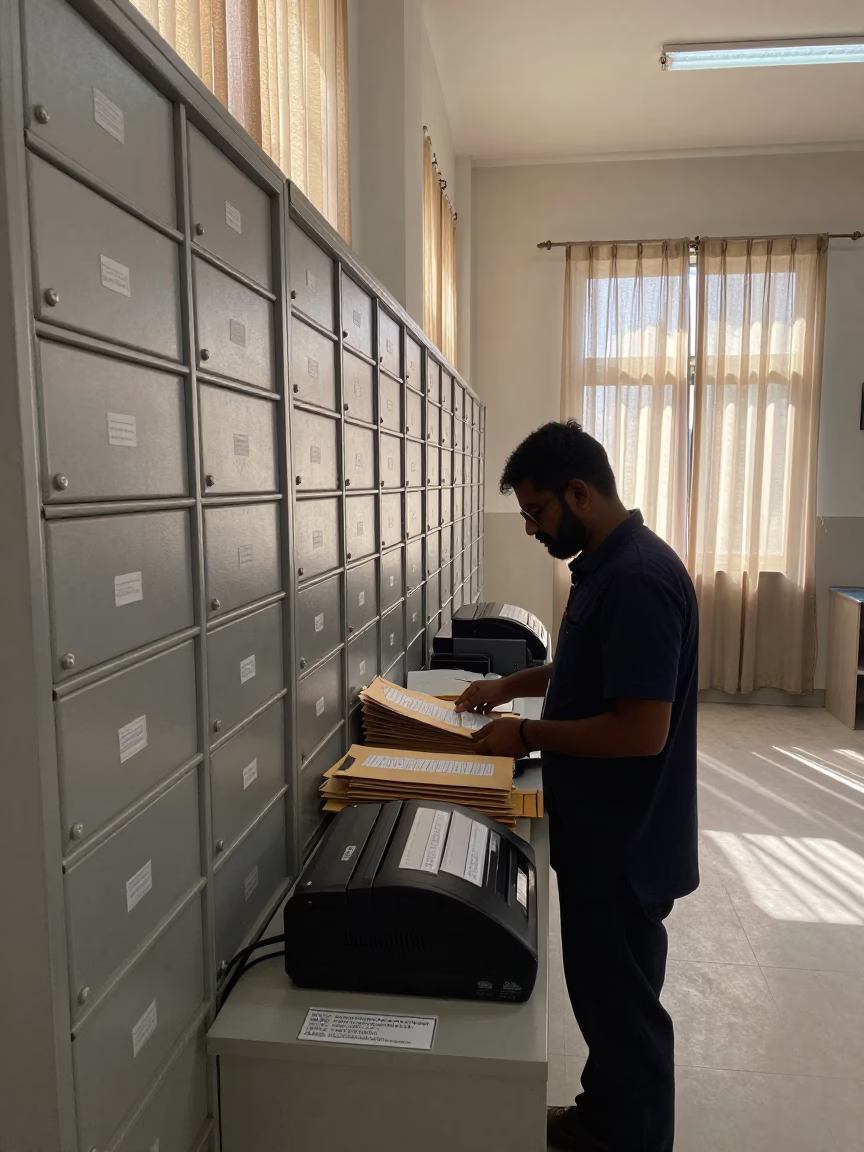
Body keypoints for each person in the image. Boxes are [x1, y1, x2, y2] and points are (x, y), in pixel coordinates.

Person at [454, 421, 699, 1152]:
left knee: (625, 1012)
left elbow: (640, 729)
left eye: (537, 512)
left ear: (580, 493)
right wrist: (511, 688)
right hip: (600, 832)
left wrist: (527, 734)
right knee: (604, 1001)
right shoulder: (605, 564)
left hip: (626, 845)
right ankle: (603, 1118)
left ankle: (632, 1137)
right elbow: (588, 671)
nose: (529, 528)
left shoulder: (639, 580)